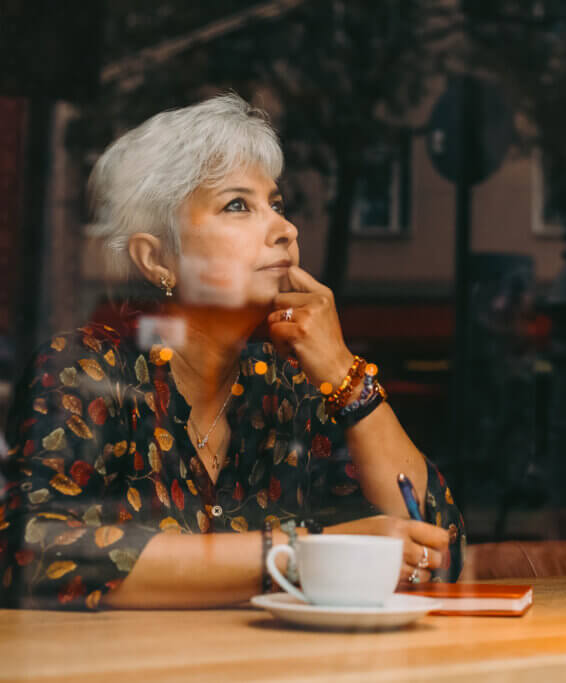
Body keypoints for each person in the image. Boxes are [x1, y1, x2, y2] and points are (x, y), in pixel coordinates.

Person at [0, 93, 464, 610]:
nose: (285, 229)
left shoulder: (290, 390)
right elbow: (32, 551)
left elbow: (441, 549)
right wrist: (299, 555)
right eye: (238, 205)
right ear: (157, 259)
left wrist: (345, 375)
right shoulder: (85, 373)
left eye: (277, 204)